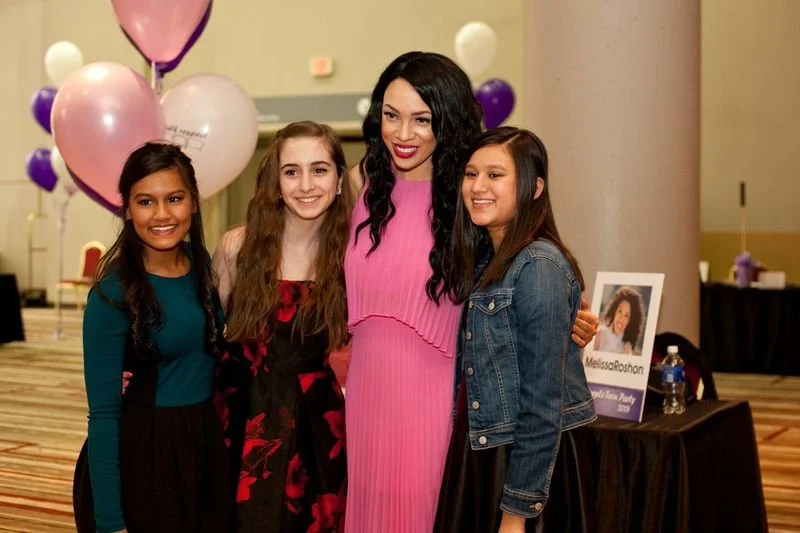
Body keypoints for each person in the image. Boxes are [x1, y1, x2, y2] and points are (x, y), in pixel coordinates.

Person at [343, 51, 599, 532]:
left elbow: (515, 279)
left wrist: (568, 315)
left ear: (449, 118)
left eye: (422, 120)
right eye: (391, 116)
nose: (402, 134)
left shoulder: (468, 202)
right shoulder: (362, 187)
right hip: (364, 397)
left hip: (436, 402)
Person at [434, 127, 596, 533]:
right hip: (488, 449)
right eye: (471, 175)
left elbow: (543, 403)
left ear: (534, 187)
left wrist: (516, 513)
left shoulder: (539, 265)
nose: (478, 187)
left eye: (495, 175)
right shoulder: (485, 260)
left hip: (525, 465)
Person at [72, 142, 230, 533]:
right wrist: (110, 522)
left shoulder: (206, 266)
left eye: (174, 198)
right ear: (126, 209)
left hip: (204, 443)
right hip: (145, 454)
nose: (162, 214)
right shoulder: (112, 293)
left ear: (193, 202)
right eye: (145, 202)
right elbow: (104, 415)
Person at [212, 121, 351, 532]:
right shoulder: (236, 249)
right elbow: (203, 337)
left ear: (340, 180)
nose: (306, 184)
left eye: (320, 169)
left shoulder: (351, 258)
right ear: (276, 180)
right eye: (292, 171)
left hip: (314, 425)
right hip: (241, 416)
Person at [593, 286, 646, 355]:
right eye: (620, 311)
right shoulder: (600, 333)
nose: (621, 319)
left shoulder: (627, 348)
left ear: (630, 320)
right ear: (614, 311)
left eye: (626, 316)